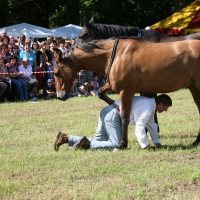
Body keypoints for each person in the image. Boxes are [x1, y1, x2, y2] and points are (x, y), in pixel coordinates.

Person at [54, 94, 172, 151]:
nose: (165, 110)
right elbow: (140, 126)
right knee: (117, 145)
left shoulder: (148, 103)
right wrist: (145, 145)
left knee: (99, 143)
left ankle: (67, 138)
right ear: (161, 104)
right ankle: (86, 143)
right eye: (166, 108)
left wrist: (156, 142)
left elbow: (151, 125)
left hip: (107, 110)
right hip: (113, 115)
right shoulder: (148, 108)